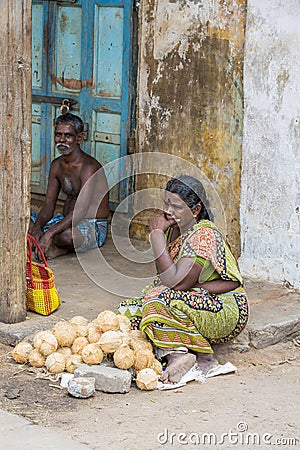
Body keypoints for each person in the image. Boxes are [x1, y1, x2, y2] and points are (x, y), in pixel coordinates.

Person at [118, 175, 249, 384]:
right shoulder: (177, 229)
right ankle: (171, 352)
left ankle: (192, 356)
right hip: (193, 295)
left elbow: (176, 284)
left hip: (226, 308)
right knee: (129, 311)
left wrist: (157, 235)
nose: (168, 211)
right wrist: (164, 234)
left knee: (156, 301)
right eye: (166, 203)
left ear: (195, 210)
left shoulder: (203, 235)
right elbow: (164, 274)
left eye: (176, 206)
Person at [29, 113, 109, 260]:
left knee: (68, 237)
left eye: (68, 136)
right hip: (64, 220)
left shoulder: (89, 167)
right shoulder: (56, 165)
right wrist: (37, 228)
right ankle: (48, 241)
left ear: (79, 138)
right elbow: (48, 205)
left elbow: (80, 210)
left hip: (92, 225)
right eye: (58, 135)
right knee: (23, 220)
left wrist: (49, 233)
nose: (62, 140)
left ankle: (54, 244)